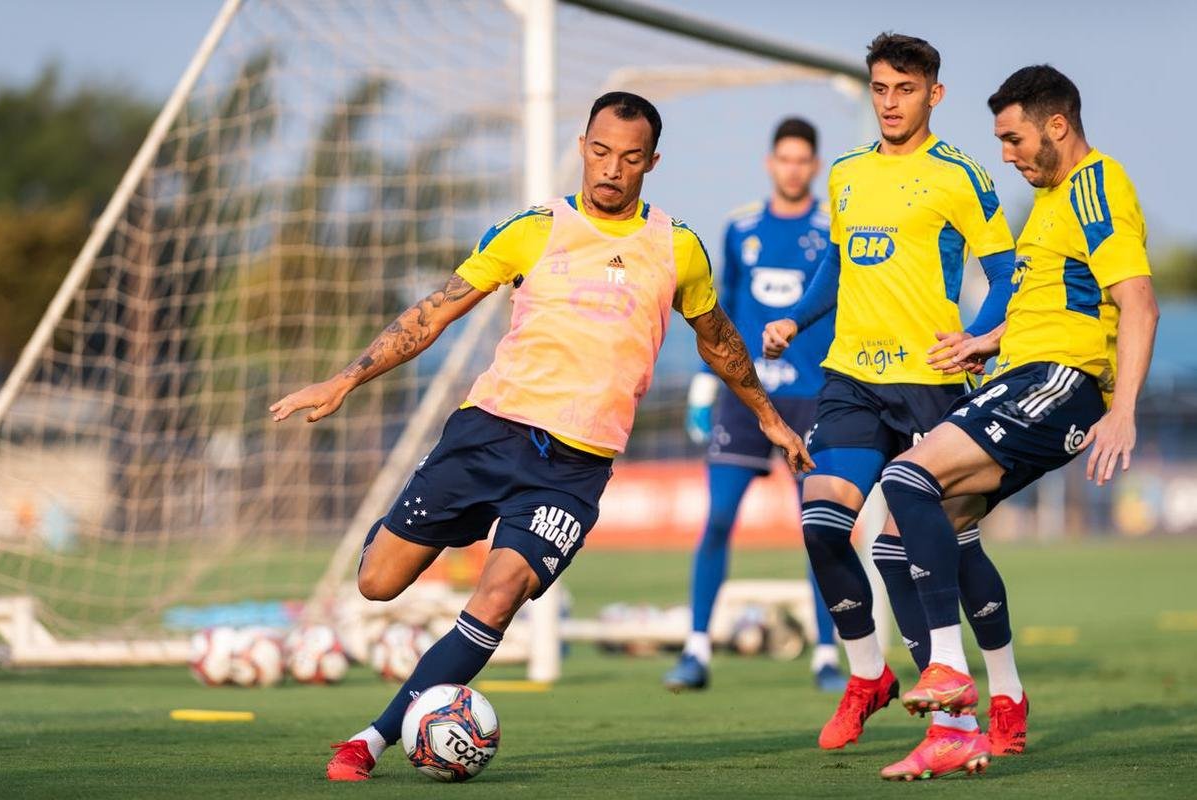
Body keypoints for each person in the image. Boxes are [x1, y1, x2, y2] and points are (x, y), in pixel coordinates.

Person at [269, 91, 814, 782]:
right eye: (599, 151)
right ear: (583, 145)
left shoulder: (677, 247)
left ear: (651, 162)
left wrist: (767, 417)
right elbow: (433, 312)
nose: (611, 168)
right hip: (488, 434)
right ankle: (444, 526)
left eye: (629, 157)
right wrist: (345, 379)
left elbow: (719, 340)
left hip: (572, 471)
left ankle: (372, 739)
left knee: (498, 596)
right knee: (377, 582)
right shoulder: (532, 229)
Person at [876, 64, 1159, 781]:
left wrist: (1121, 408)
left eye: (1012, 138)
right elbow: (1059, 300)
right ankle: (981, 715)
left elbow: (1136, 301)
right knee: (905, 537)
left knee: (907, 479)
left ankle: (947, 675)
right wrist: (986, 339)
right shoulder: (1053, 200)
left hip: (1059, 385)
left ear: (1055, 125)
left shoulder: (1096, 185)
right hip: (1021, 373)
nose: (1005, 153)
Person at [762, 33, 1024, 761]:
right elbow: (836, 271)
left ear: (932, 95)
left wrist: (976, 338)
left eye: (903, 89)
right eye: (879, 88)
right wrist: (796, 319)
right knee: (821, 525)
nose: (888, 102)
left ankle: (1004, 689)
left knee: (943, 548)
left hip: (931, 383)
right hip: (849, 377)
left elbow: (1006, 275)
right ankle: (866, 676)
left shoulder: (959, 175)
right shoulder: (844, 174)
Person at [664, 117, 845, 694]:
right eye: (783, 158)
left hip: (811, 397)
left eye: (802, 160)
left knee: (820, 529)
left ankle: (825, 655)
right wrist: (702, 383)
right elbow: (717, 310)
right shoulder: (739, 227)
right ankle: (695, 651)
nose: (792, 168)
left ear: (813, 166)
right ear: (771, 162)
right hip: (744, 397)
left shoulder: (831, 230)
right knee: (717, 519)